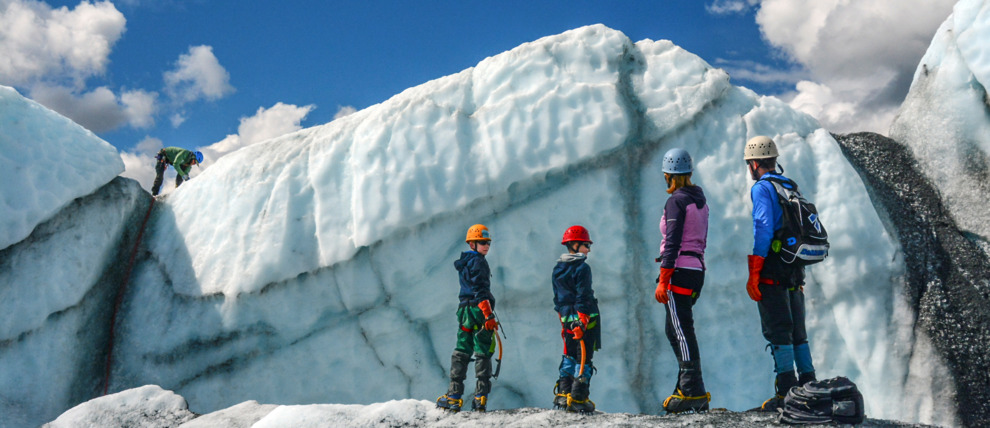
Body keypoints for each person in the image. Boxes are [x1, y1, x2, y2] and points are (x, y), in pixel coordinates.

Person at [743, 136, 817, 411]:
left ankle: (787, 390)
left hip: (773, 264)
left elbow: (763, 226)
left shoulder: (763, 188)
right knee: (798, 329)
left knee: (778, 328)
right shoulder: (789, 186)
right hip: (794, 265)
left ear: (754, 163)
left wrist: (755, 269)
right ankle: (809, 386)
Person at [654, 148, 711, 413]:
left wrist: (664, 278)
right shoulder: (700, 201)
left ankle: (693, 389)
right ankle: (685, 385)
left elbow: (673, 241)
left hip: (679, 270)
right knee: (675, 328)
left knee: (681, 329)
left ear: (670, 176)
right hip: (695, 268)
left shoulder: (676, 201)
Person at [436, 224, 499, 413]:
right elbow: (480, 290)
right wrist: (488, 314)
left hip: (464, 310)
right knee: (483, 351)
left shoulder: (465, 262)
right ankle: (480, 398)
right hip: (479, 310)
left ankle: (454, 397)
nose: (486, 245)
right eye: (482, 242)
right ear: (472, 244)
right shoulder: (479, 262)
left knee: (462, 349)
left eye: (487, 242)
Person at [551, 225, 600, 413]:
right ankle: (579, 396)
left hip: (566, 318)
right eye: (586, 245)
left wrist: (563, 318)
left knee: (569, 354)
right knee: (584, 356)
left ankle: (564, 394)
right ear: (575, 244)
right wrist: (583, 320)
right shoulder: (582, 268)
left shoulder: (558, 268)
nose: (588, 249)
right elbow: (583, 295)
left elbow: (558, 298)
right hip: (584, 319)